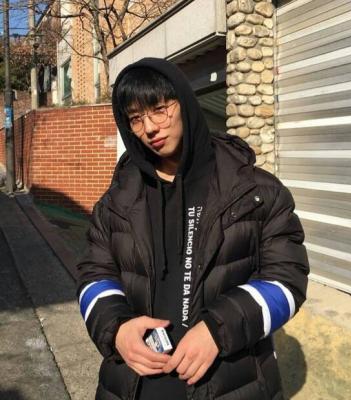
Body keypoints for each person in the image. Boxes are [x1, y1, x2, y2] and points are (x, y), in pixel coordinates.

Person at [76, 57, 309, 400]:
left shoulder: (255, 191)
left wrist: (218, 330)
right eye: (136, 119)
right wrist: (117, 329)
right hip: (133, 385)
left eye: (159, 110)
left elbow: (288, 280)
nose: (150, 128)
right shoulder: (117, 200)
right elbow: (94, 275)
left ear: (184, 102)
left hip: (229, 383)